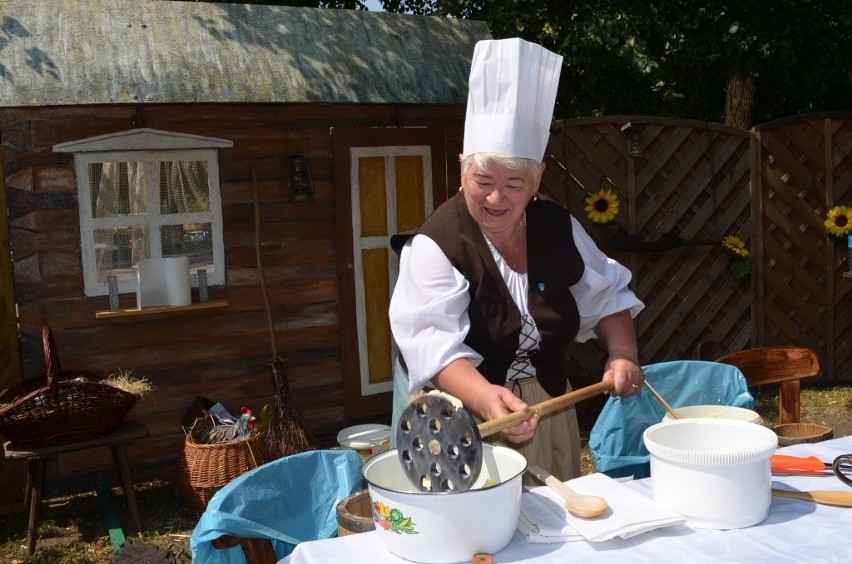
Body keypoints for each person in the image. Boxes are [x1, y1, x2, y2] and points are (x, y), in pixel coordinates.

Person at [388, 38, 645, 481]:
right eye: (483, 179)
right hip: (467, 420)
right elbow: (432, 346)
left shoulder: (556, 226)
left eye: (513, 183)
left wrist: (622, 353)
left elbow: (607, 294)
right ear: (461, 168)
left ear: (537, 178)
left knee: (554, 525)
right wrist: (488, 398)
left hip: (547, 407)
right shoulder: (435, 245)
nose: (495, 197)